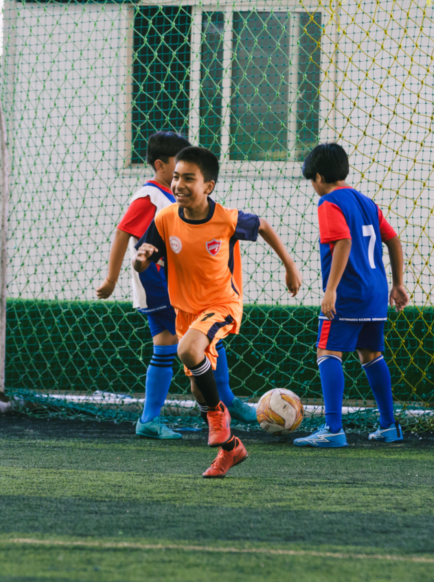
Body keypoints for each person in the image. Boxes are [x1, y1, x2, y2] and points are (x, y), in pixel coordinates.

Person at [133, 146, 303, 477]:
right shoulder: (165, 218)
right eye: (176, 177)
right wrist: (141, 261)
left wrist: (290, 266)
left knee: (186, 350)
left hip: (222, 305)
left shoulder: (226, 218)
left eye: (189, 179)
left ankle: (217, 416)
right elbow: (143, 258)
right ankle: (230, 450)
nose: (179, 184)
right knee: (199, 389)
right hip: (186, 313)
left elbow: (264, 225)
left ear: (208, 186)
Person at [97, 132, 256, 440]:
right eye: (178, 164)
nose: (183, 172)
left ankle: (194, 408)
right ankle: (201, 406)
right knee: (186, 342)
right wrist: (111, 279)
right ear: (161, 165)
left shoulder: (172, 196)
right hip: (159, 288)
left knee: (187, 343)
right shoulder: (149, 197)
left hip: (172, 288)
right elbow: (122, 232)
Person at [294, 142, 410, 448]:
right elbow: (393, 240)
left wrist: (330, 290)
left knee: (327, 352)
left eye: (312, 181)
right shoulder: (366, 202)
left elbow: (343, 242)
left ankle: (333, 429)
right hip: (376, 292)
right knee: (370, 354)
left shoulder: (328, 202)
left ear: (319, 177)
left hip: (348, 292)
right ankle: (389, 426)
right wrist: (398, 284)